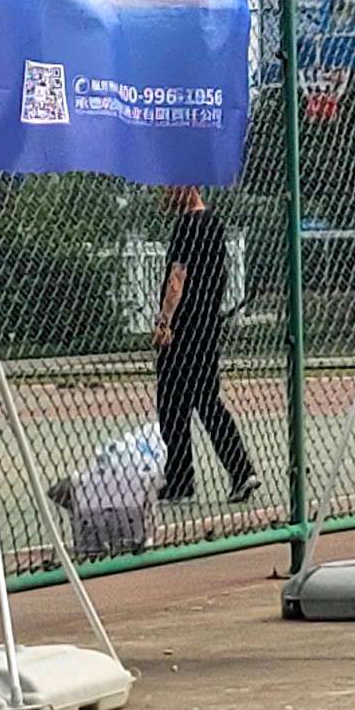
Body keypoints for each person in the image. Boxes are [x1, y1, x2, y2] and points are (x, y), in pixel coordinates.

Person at [153, 185, 255, 504]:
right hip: (207, 325)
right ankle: (241, 470)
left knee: (171, 402)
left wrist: (164, 321)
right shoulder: (214, 224)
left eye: (169, 188)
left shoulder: (187, 225)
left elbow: (177, 277)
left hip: (183, 328)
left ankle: (180, 480)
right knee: (206, 399)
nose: (165, 194)